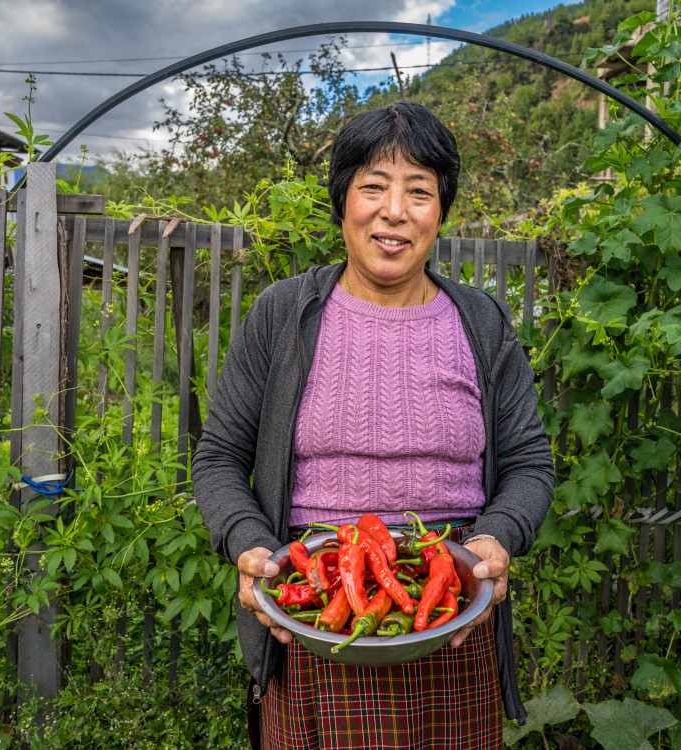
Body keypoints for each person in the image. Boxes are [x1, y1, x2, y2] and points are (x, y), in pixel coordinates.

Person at [192, 100, 555, 749]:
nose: (394, 211)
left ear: (440, 210)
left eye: (419, 192)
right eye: (373, 188)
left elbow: (529, 463)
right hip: (318, 607)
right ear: (342, 202)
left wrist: (499, 538)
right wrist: (249, 543)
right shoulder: (283, 316)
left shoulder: (483, 323)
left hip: (446, 604)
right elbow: (219, 456)